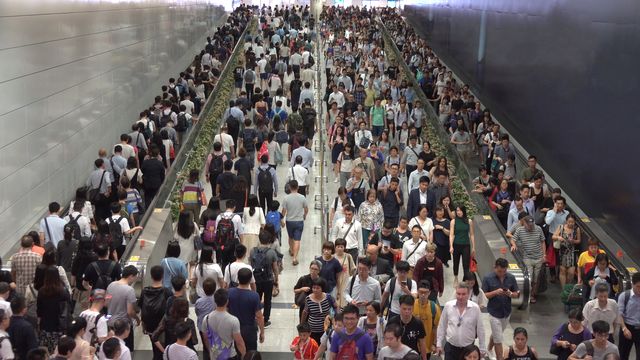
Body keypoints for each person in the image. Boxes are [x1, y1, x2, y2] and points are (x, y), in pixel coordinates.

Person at [482, 258, 520, 360]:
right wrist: (495, 292)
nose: (502, 274)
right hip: (494, 313)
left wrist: (511, 294)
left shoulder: (511, 278)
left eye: (504, 271)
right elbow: (484, 295)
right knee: (498, 339)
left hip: (506, 313)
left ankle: (489, 349)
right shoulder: (487, 278)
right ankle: (500, 358)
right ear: (495, 268)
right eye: (499, 271)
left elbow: (517, 293)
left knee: (496, 334)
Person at [436, 283, 486, 360]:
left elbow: (480, 329)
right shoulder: (448, 306)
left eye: (463, 294)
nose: (460, 297)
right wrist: (439, 344)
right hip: (451, 347)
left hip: (468, 349)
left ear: (468, 294)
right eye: (458, 294)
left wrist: (482, 347)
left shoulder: (475, 308)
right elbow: (442, 325)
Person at [138, 266, 172, 360]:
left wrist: (143, 323)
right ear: (162, 275)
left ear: (151, 276)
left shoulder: (145, 291)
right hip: (162, 325)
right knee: (163, 347)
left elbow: (141, 307)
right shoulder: (167, 291)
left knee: (155, 346)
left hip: (149, 324)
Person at [509, 215, 545, 303]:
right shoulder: (520, 230)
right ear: (524, 223)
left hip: (538, 257)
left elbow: (542, 241)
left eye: (531, 224)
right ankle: (528, 295)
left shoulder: (538, 229)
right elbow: (513, 239)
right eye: (528, 225)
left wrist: (544, 255)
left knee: (536, 279)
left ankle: (532, 295)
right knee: (529, 278)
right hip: (527, 257)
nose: (530, 226)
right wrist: (514, 245)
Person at [203, 288, 245, 359]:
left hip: (215, 355)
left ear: (215, 301)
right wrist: (244, 354)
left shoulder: (206, 318)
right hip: (229, 355)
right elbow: (239, 342)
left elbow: (206, 338)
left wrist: (211, 351)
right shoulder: (233, 320)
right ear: (227, 301)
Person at [228, 268, 264, 351]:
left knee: (237, 350)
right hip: (249, 330)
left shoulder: (230, 292)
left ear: (238, 278)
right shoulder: (254, 296)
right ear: (250, 280)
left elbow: (226, 309)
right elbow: (259, 316)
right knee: (251, 352)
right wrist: (262, 332)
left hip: (234, 328)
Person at [106, 265, 140, 352]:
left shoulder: (111, 285)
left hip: (110, 324)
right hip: (123, 326)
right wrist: (137, 319)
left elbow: (106, 304)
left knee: (112, 351)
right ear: (131, 276)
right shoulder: (129, 290)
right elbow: (129, 312)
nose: (135, 279)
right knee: (124, 351)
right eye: (135, 277)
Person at [37, 267, 71, 352]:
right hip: (59, 326)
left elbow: (39, 310)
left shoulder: (42, 291)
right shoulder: (63, 292)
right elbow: (68, 309)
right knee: (58, 350)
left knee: (46, 350)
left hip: (45, 325)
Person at [249, 231, 279, 328]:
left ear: (260, 239)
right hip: (268, 280)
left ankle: (256, 317)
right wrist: (276, 280)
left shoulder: (253, 251)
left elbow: (250, 265)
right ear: (269, 240)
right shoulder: (271, 252)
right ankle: (265, 320)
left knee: (256, 299)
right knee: (267, 299)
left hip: (256, 279)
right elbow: (275, 268)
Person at [282, 180, 309, 266]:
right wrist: (304, 215)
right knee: (297, 239)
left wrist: (282, 219)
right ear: (297, 187)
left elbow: (284, 211)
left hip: (289, 221)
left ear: (289, 187)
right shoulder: (302, 197)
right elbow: (306, 209)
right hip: (299, 221)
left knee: (290, 237)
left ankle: (291, 250)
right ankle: (295, 258)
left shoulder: (286, 198)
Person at [552, 213, 582, 288]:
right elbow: (553, 236)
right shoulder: (561, 227)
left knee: (571, 272)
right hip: (562, 252)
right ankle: (563, 289)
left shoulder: (576, 229)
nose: (571, 223)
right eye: (569, 222)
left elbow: (579, 240)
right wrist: (559, 238)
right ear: (566, 221)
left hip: (572, 252)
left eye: (572, 222)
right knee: (562, 270)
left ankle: (567, 286)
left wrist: (573, 241)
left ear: (575, 222)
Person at [449, 206, 475, 286]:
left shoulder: (469, 221)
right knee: (455, 263)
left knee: (466, 264)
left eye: (460, 210)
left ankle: (465, 279)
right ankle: (456, 278)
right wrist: (451, 246)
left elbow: (472, 235)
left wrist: (474, 247)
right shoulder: (453, 221)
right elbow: (451, 234)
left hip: (466, 245)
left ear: (463, 211)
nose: (458, 212)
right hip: (456, 245)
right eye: (457, 210)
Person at [617, 272, 640, 360]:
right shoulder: (624, 296)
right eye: (638, 286)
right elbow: (619, 314)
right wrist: (624, 328)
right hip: (627, 327)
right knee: (623, 355)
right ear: (632, 284)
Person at [195, 278, 216, 360]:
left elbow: (197, 312)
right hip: (214, 327)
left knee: (205, 346)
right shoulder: (216, 300)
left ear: (203, 289)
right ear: (215, 289)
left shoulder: (199, 301)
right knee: (215, 345)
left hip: (202, 327)